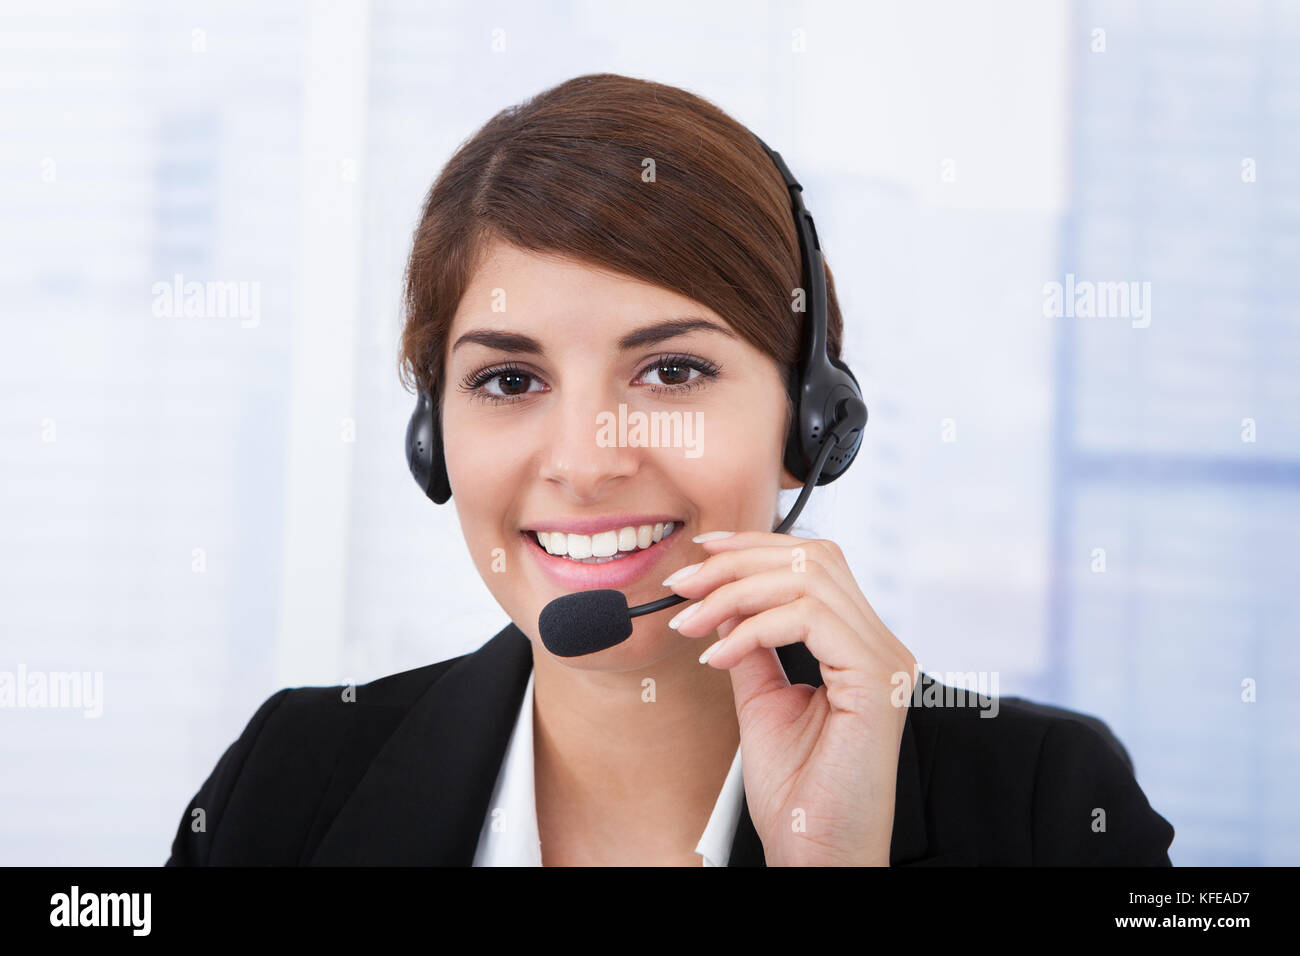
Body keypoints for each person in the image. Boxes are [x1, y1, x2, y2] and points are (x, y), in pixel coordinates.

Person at [166, 72, 1175, 866]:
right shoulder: (289, 778)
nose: (585, 461)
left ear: (810, 419)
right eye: (511, 379)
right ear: (433, 436)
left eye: (672, 369)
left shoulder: (1045, 803)